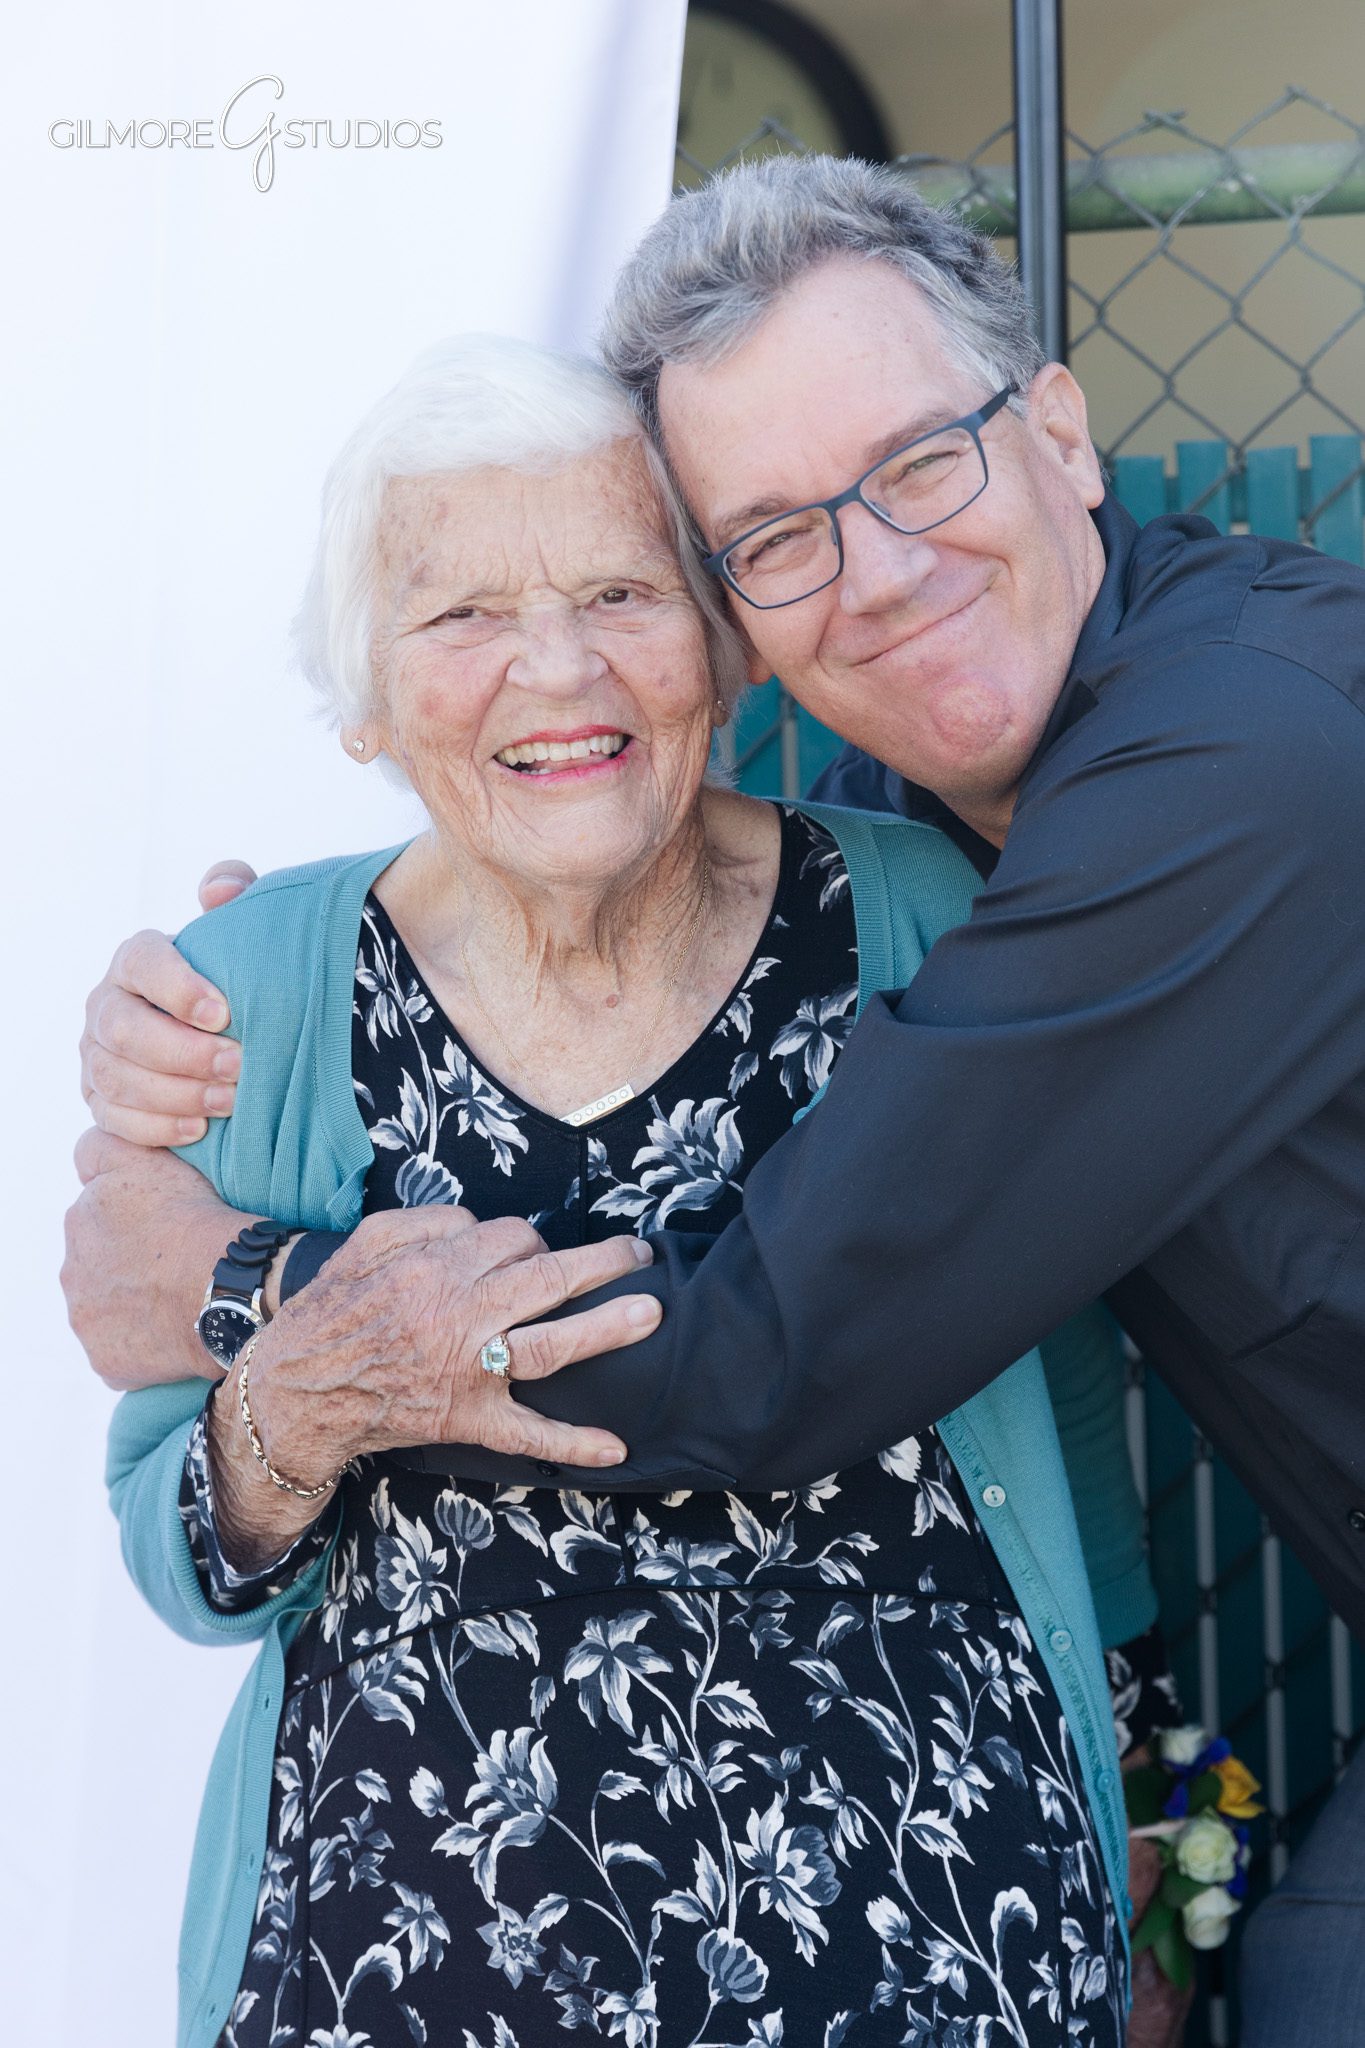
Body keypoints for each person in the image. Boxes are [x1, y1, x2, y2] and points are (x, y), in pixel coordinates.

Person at [77, 151, 1365, 2046]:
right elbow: (188, 1553)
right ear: (363, 699)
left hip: (937, 1925)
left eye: (923, 461)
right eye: (777, 531)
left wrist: (247, 1286)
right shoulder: (263, 990)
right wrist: (254, 1337)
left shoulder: (1133, 811)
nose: (883, 572)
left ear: (1064, 434)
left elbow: (836, 1370)